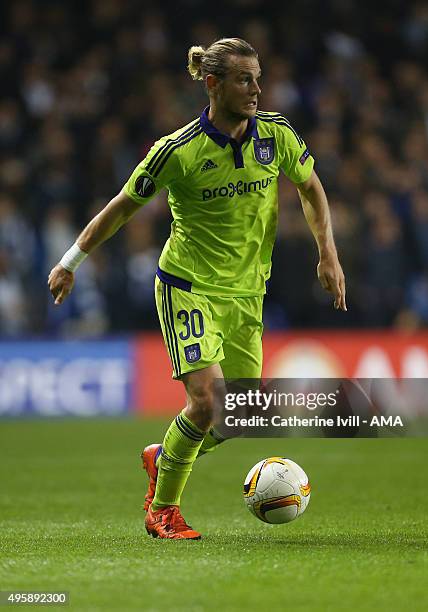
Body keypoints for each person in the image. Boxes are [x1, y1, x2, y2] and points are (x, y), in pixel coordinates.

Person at [48, 38, 346, 540]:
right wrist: (71, 260)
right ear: (213, 84)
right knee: (207, 403)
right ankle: (163, 510)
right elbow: (123, 205)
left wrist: (328, 254)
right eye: (243, 79)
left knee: (238, 417)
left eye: (258, 77)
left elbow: (311, 188)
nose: (256, 89)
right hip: (188, 286)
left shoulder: (278, 135)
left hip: (247, 294)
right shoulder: (177, 151)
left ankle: (164, 456)